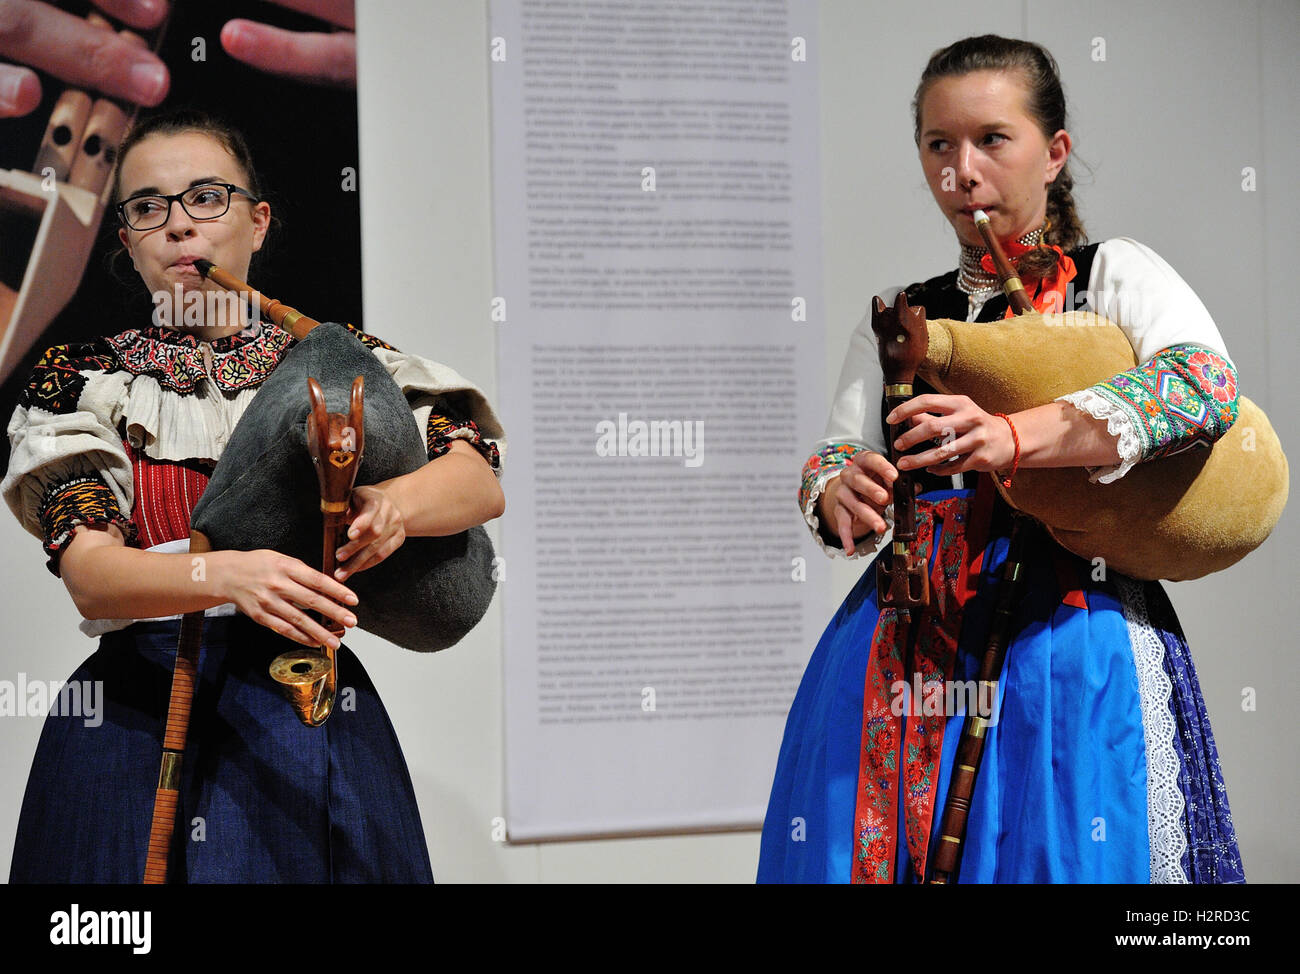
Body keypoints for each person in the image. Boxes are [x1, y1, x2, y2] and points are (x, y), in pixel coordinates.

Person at [758, 35, 1243, 884]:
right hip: (906, 638)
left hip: (1069, 629)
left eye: (991, 140)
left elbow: (1204, 385)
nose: (961, 170)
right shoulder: (902, 313)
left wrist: (1019, 438)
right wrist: (840, 490)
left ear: (1055, 153)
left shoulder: (1112, 276)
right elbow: (837, 453)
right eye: (938, 145)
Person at [1, 108, 505, 882]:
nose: (179, 227)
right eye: (147, 208)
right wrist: (225, 575)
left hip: (308, 702)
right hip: (137, 711)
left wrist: (395, 506)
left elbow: (477, 480)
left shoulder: (337, 361)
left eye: (207, 197)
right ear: (127, 241)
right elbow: (90, 574)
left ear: (258, 221)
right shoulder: (83, 378)